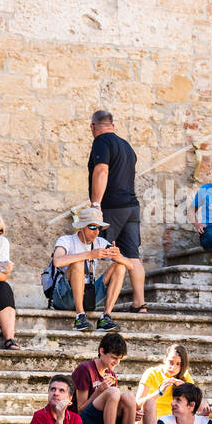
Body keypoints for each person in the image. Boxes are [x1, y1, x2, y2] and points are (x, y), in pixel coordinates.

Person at [87, 110, 147, 314]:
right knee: (132, 256)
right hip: (132, 207)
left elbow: (102, 170)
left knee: (92, 249)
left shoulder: (101, 142)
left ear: (93, 126)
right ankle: (140, 304)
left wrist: (96, 204)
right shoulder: (127, 146)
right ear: (113, 125)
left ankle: (84, 299)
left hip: (112, 208)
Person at [48, 207, 143, 332]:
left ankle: (105, 317)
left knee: (119, 267)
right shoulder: (66, 240)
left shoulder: (100, 242)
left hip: (89, 295)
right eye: (92, 227)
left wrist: (117, 255)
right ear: (81, 227)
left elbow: (130, 265)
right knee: (78, 264)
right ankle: (80, 316)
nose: (96, 231)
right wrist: (89, 255)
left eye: (99, 228)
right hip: (64, 297)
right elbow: (57, 261)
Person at [72, 331, 138, 424]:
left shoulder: (111, 373)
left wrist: (131, 413)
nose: (117, 362)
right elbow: (79, 410)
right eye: (114, 357)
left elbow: (114, 407)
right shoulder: (85, 369)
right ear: (101, 351)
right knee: (114, 392)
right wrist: (98, 392)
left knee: (129, 398)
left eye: (119, 359)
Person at [134, 344, 194, 424]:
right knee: (150, 403)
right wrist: (159, 392)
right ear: (165, 359)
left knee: (197, 402)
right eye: (170, 362)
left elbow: (196, 404)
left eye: (178, 364)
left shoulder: (184, 376)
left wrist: (185, 391)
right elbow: (137, 404)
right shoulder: (151, 373)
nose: (173, 367)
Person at [0, 210, 18, 349]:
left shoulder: (2, 242)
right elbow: (2, 270)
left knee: (4, 287)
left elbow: (3, 276)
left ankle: (9, 339)